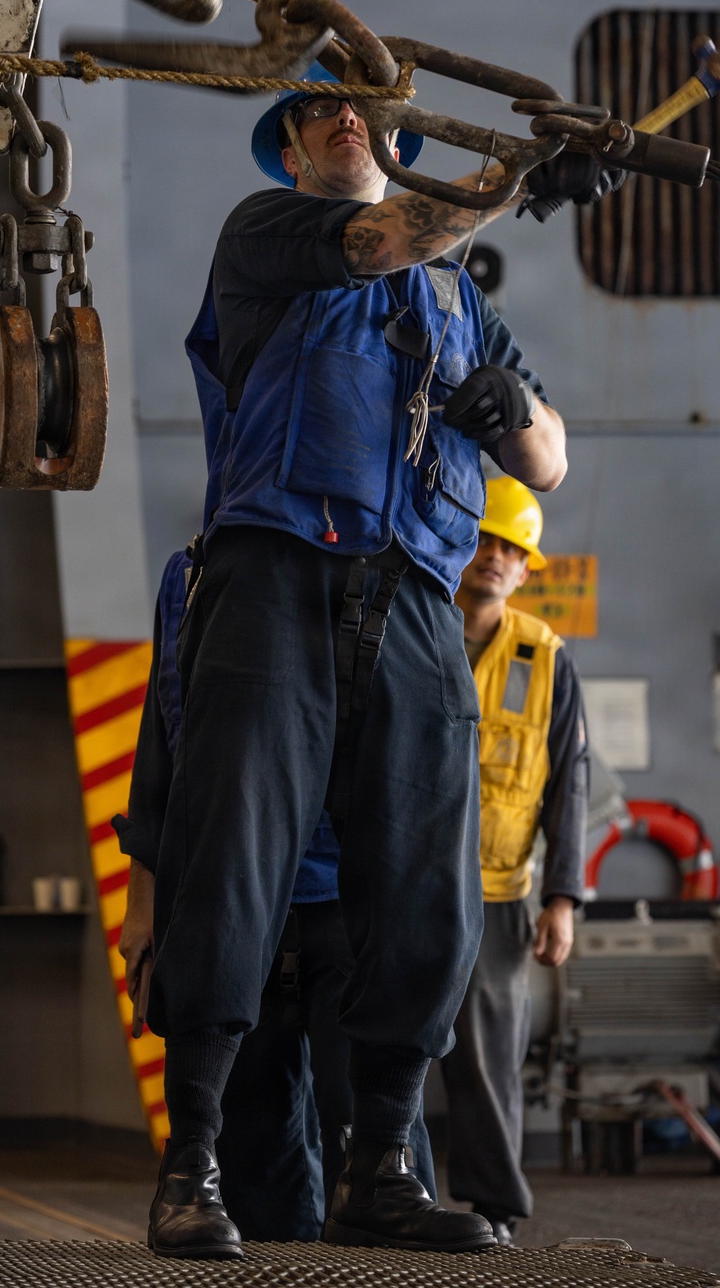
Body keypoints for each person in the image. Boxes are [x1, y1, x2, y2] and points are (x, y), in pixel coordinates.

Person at [116, 61, 619, 1259]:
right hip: (275, 570)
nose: (346, 119)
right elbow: (391, 233)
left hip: (411, 598)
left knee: (424, 889)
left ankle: (380, 1171)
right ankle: (191, 1168)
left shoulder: (460, 303)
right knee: (232, 862)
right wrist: (526, 175)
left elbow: (548, 462)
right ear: (290, 151)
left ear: (396, 137)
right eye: (318, 111)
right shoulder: (273, 236)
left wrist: (510, 410)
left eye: (368, 111)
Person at [116, 547, 436, 1242]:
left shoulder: (391, 568)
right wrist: (144, 903)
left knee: (374, 1142)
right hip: (233, 904)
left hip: (348, 905)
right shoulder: (193, 576)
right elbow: (167, 741)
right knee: (254, 1168)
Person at [441, 477, 589, 1244]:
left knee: (490, 1057)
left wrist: (563, 897)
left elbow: (571, 779)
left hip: (499, 894)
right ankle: (372, 1191)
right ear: (458, 540)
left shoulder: (545, 657)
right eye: (486, 540)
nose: (495, 557)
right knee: (376, 1043)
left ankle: (495, 1207)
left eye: (512, 548)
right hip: (404, 885)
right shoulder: (412, 627)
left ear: (527, 568)